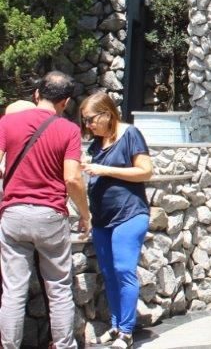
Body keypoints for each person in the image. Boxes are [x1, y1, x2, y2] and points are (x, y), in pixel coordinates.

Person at [0, 71, 90, 349]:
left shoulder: (7, 122)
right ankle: (63, 345)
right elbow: (72, 178)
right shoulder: (69, 130)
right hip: (50, 215)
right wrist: (85, 214)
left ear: (37, 93)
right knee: (59, 289)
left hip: (13, 213)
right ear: (66, 101)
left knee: (13, 291)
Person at [80, 93, 154, 349]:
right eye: (84, 121)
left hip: (129, 214)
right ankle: (116, 325)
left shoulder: (130, 134)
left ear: (107, 114)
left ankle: (127, 331)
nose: (88, 125)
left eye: (91, 119)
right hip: (102, 218)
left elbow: (145, 171)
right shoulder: (97, 142)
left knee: (123, 270)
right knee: (109, 274)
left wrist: (105, 170)